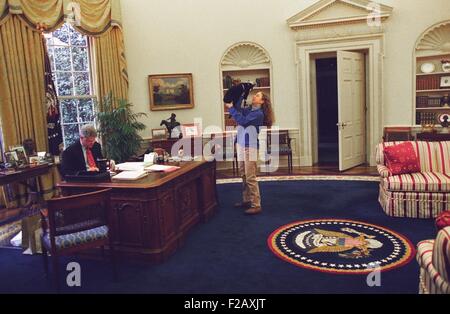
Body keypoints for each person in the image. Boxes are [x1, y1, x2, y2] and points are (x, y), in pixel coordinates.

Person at [225, 91, 274, 215]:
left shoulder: (258, 114)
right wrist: (242, 93)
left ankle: (256, 205)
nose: (254, 96)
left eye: (257, 95)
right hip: (241, 145)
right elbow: (238, 108)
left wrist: (231, 109)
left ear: (262, 101)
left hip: (250, 147)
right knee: (243, 174)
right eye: (254, 94)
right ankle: (247, 200)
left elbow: (243, 121)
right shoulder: (250, 110)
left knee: (250, 176)